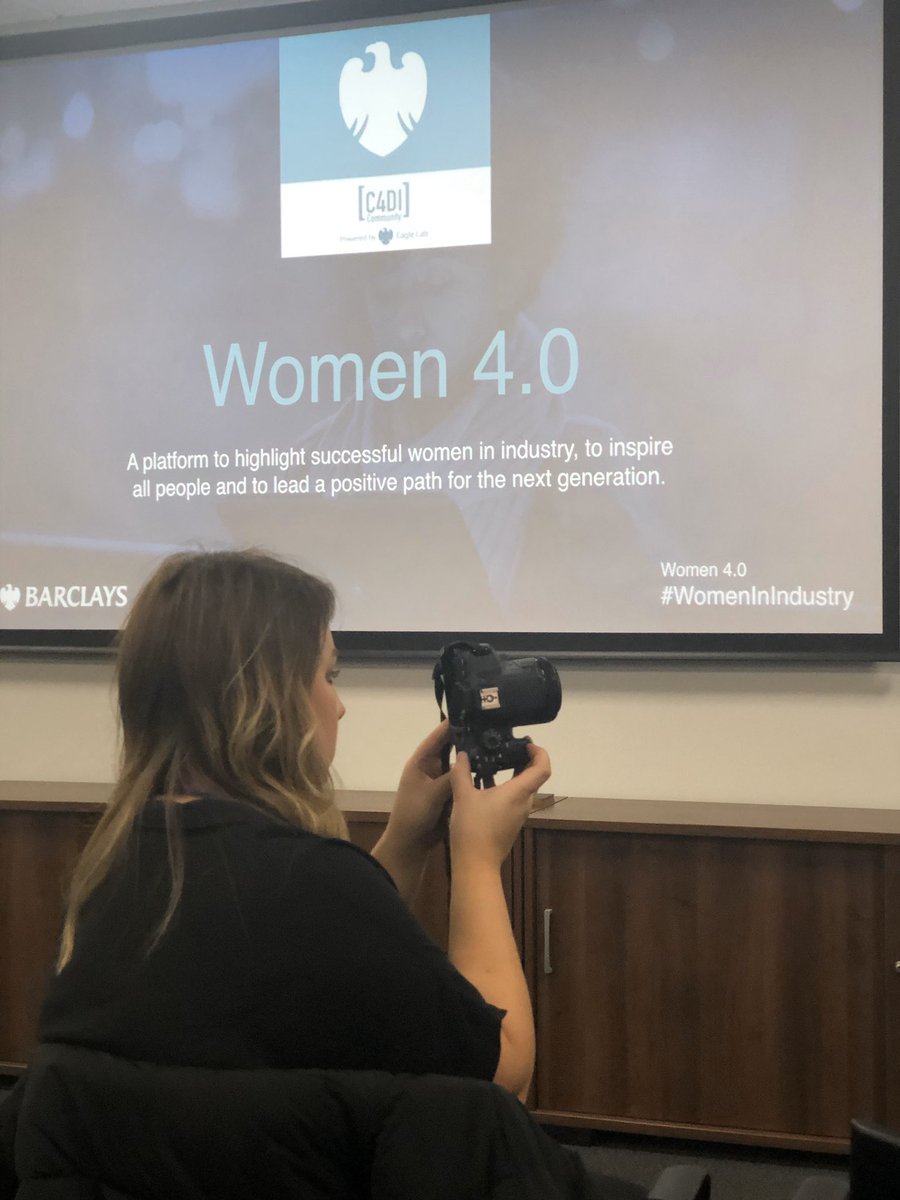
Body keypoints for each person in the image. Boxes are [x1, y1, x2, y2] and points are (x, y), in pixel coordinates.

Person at [1, 548, 650, 1200]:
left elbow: (316, 970)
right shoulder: (311, 881)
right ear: (268, 699)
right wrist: (479, 861)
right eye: (328, 676)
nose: (338, 707)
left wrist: (404, 843)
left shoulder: (111, 874)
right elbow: (501, 1077)